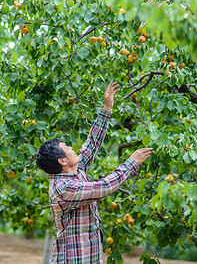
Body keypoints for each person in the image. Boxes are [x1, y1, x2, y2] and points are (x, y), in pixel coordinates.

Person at [36, 81, 153, 264]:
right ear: (62, 161)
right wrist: (131, 163)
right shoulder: (63, 188)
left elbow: (92, 143)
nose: (71, 147)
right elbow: (104, 187)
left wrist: (107, 107)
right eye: (66, 147)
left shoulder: (75, 172)